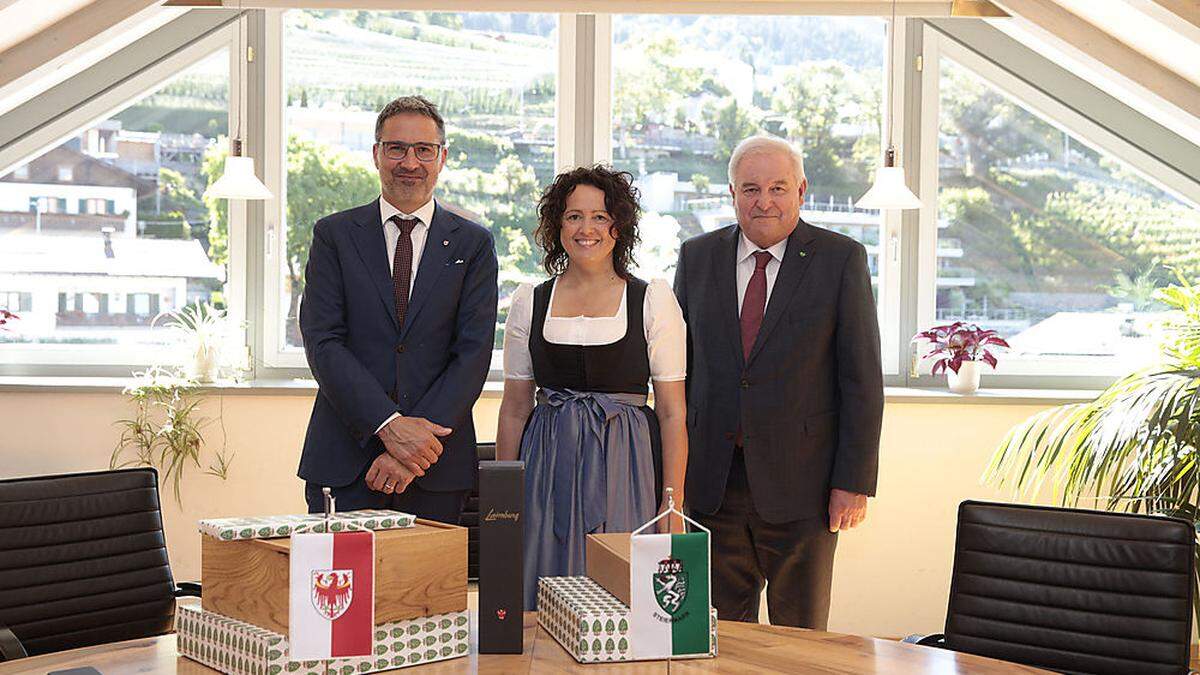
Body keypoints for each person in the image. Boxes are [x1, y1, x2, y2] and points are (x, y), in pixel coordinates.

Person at [673, 135, 883, 629]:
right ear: (731, 193)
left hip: (803, 488)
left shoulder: (840, 260)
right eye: (750, 189)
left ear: (802, 190)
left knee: (801, 639)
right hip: (712, 484)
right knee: (716, 636)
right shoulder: (697, 257)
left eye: (777, 188)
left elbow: (861, 380)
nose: (763, 201)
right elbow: (679, 372)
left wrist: (853, 482)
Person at [297, 95, 498, 524]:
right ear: (376, 154)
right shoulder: (333, 236)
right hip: (345, 461)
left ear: (441, 158)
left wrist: (412, 450)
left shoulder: (473, 245)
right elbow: (323, 342)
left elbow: (474, 352)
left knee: (429, 593)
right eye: (397, 148)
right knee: (340, 592)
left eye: (424, 150)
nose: (410, 162)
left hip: (435, 466)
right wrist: (388, 426)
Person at [496, 165, 688, 610]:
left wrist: (672, 502)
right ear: (556, 225)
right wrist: (503, 501)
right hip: (547, 463)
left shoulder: (652, 300)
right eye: (573, 216)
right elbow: (514, 409)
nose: (587, 229)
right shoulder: (530, 301)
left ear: (619, 226)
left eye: (600, 217)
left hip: (627, 465)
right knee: (541, 588)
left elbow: (673, 412)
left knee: (620, 592)